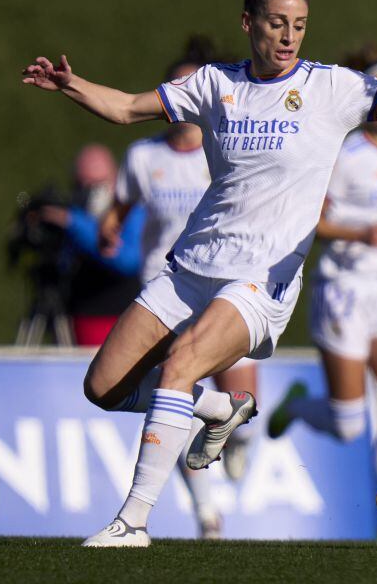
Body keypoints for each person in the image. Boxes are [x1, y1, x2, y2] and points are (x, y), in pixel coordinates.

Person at [20, 0, 377, 547]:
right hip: (189, 268)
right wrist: (71, 85)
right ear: (248, 23)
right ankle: (220, 411)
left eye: (299, 25)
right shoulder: (214, 85)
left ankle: (132, 522)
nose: (289, 36)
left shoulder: (332, 89)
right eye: (277, 23)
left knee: (180, 368)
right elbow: (125, 109)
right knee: (103, 386)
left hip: (261, 279)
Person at [99, 35, 259, 539]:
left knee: (234, 391)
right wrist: (109, 226)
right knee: (168, 387)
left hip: (229, 286)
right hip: (167, 286)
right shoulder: (144, 157)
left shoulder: (228, 147)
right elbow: (120, 210)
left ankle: (229, 423)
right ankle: (207, 514)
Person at [266, 61, 377, 543]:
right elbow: (311, 220)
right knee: (349, 424)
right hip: (345, 292)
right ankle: (296, 408)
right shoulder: (345, 154)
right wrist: (358, 231)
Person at [35, 144, 145, 346]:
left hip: (117, 319)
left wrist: (74, 223)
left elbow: (128, 260)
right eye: (81, 184)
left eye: (96, 184)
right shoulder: (75, 212)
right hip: (79, 316)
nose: (89, 192)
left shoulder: (130, 209)